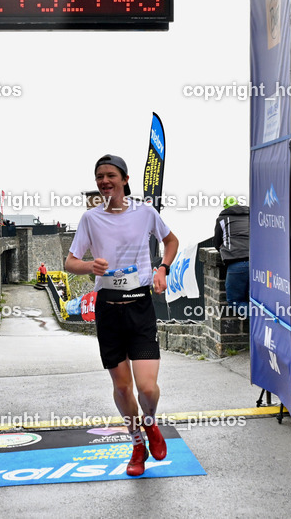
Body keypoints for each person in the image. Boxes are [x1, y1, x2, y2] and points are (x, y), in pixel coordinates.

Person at [64, 154, 178, 477]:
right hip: (109, 309)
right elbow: (70, 262)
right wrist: (89, 266)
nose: (104, 181)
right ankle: (137, 442)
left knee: (147, 388)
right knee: (123, 388)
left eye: (110, 175)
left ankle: (151, 422)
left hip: (140, 305)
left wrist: (162, 269)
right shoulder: (90, 219)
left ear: (125, 180)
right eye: (99, 176)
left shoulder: (145, 213)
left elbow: (171, 241)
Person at [214, 196, 250, 316]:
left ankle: (260, 320)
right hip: (258, 264)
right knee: (258, 301)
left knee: (235, 302)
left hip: (236, 263)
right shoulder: (251, 215)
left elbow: (216, 243)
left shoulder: (222, 219)